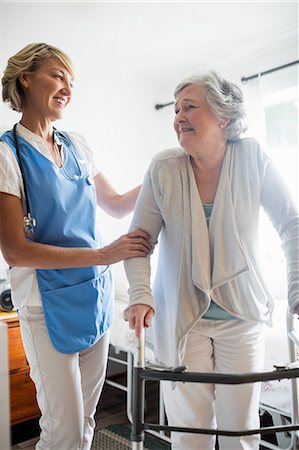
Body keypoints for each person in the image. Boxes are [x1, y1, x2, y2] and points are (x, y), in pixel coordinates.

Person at [123, 71, 299, 450]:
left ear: (223, 117)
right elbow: (138, 242)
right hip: (184, 322)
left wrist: (297, 288)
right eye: (175, 109)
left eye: (189, 107)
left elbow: (291, 223)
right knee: (190, 434)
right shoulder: (163, 168)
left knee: (242, 432)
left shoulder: (252, 157)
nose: (178, 117)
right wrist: (140, 293)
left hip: (242, 317)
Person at [0, 42, 151, 450]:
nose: (67, 87)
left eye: (72, 81)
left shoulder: (78, 145)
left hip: (93, 293)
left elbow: (118, 205)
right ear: (26, 79)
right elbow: (15, 250)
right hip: (44, 305)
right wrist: (105, 255)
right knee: (62, 430)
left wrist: (164, 171)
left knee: (85, 422)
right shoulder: (6, 154)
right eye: (58, 76)